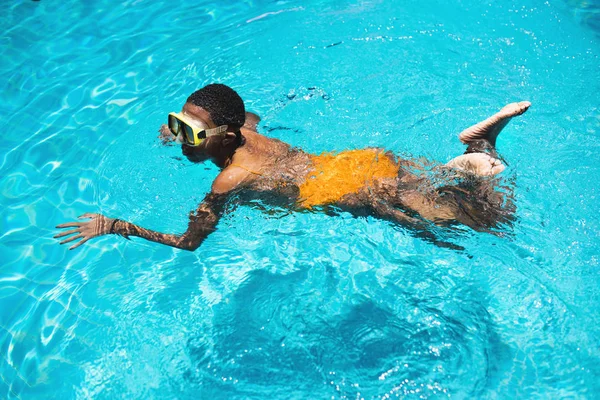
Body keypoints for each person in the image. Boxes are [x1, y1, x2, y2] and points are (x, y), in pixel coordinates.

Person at [55, 84, 530, 251]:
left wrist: (116, 226)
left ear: (227, 133)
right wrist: (182, 129)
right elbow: (251, 114)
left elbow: (187, 243)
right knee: (444, 184)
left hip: (354, 193)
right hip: (358, 163)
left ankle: (480, 150)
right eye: (177, 125)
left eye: (193, 132)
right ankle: (478, 150)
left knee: (490, 224)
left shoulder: (229, 179)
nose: (183, 139)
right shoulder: (247, 128)